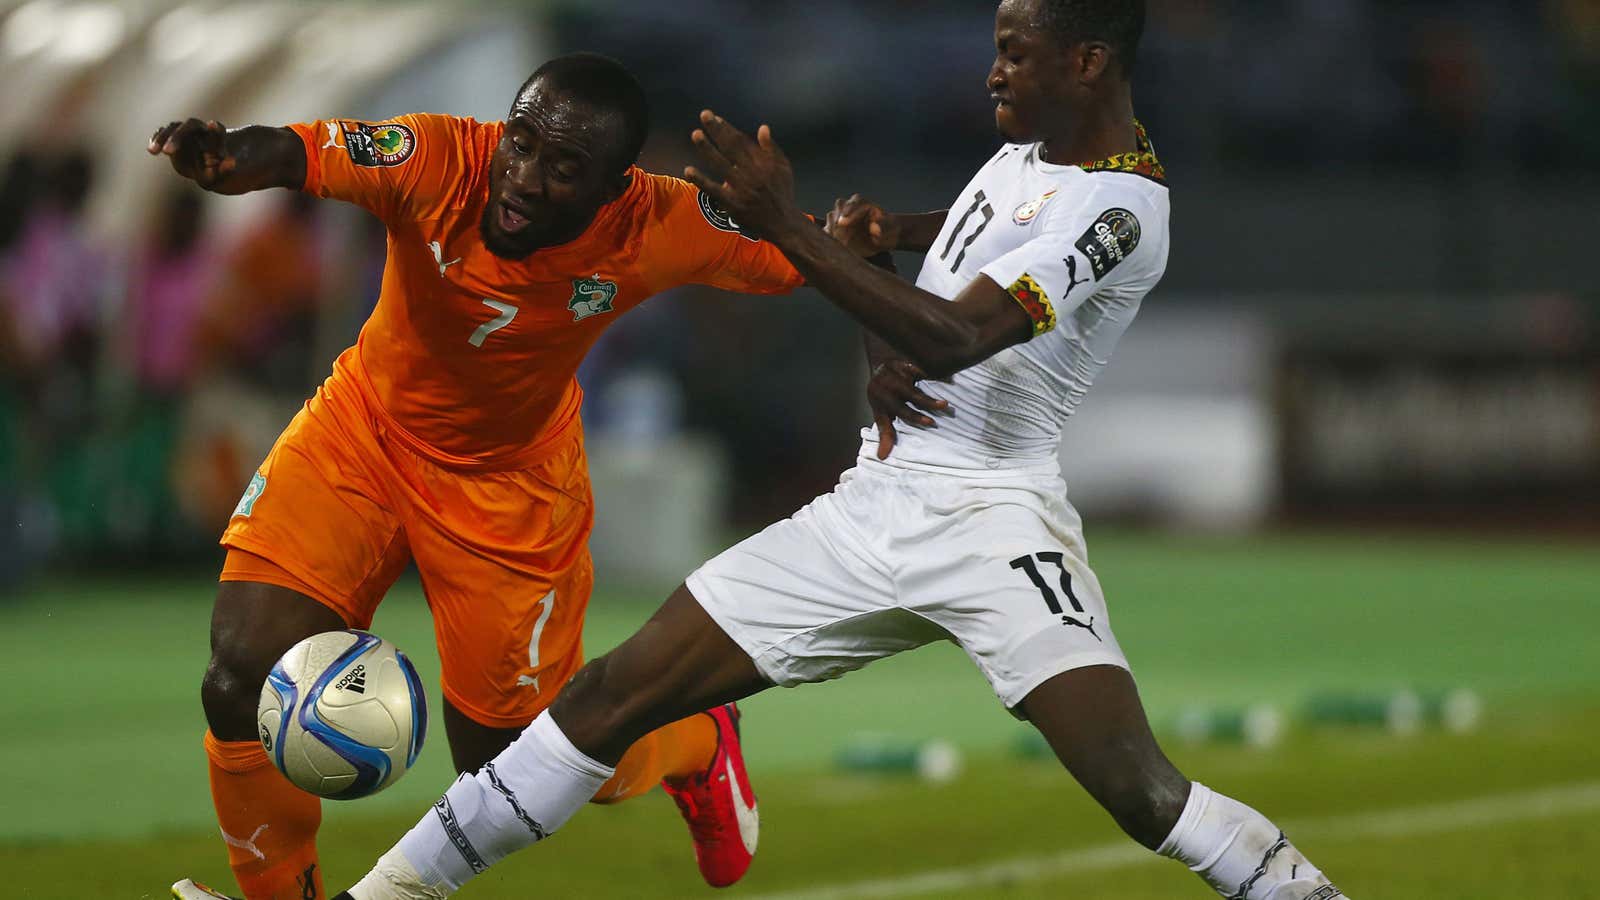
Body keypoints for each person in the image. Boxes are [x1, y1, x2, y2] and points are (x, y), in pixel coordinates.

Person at [333, 2, 1351, 899]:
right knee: (607, 697)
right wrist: (876, 235)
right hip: (873, 505)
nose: (992, 70)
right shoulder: (1028, 159)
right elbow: (959, 249)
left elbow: (954, 335)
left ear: (1085, 62)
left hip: (995, 520)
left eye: (1014, 51)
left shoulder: (1125, 209)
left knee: (1140, 790)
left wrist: (788, 224)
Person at [154, 53, 804, 900]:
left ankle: (694, 741)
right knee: (239, 673)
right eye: (521, 143)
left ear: (615, 187)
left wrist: (902, 234)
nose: (526, 178)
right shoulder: (438, 159)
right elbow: (297, 150)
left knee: (519, 763)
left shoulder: (659, 222)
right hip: (364, 432)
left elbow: (808, 254)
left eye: (564, 167)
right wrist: (227, 156)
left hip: (508, 489)